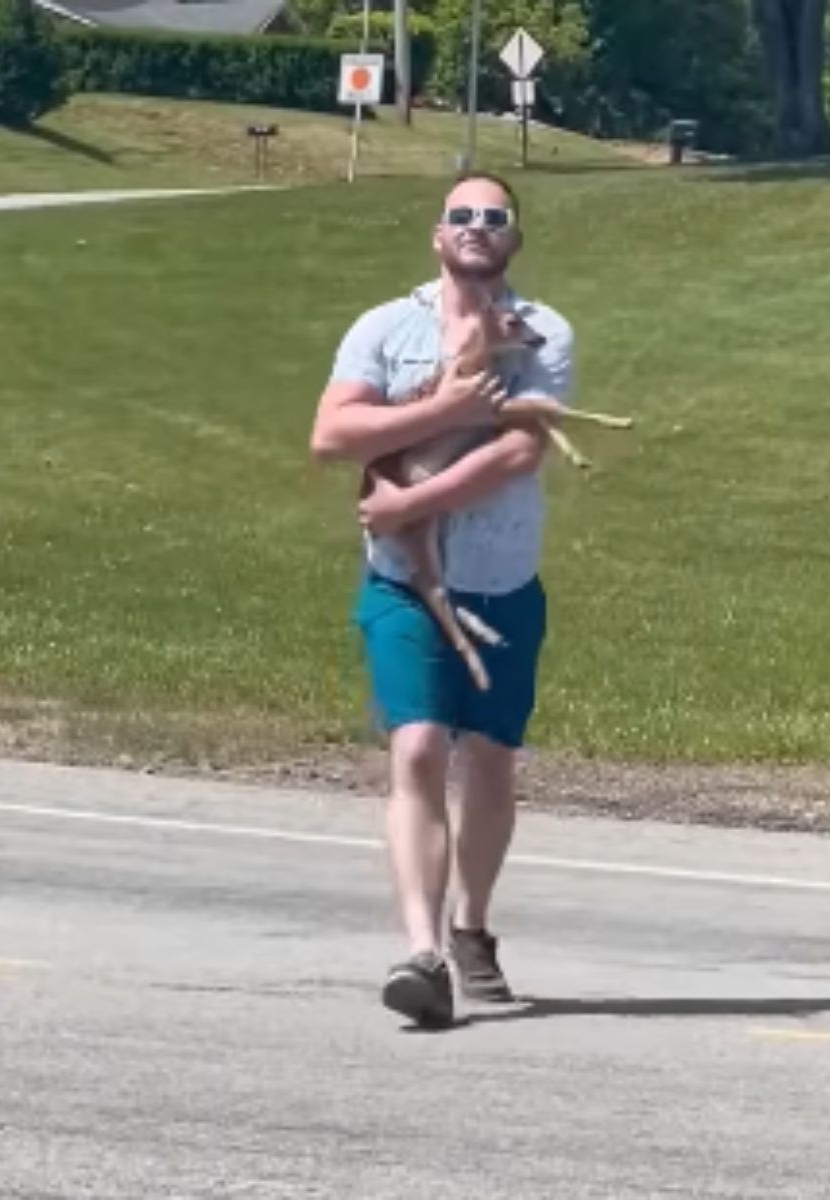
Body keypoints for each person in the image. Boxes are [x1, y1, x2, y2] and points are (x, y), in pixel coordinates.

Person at [310, 172, 574, 1028]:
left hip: (500, 576)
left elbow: (518, 454)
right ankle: (421, 953)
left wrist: (404, 503)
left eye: (495, 218)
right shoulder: (385, 328)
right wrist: (450, 404)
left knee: (490, 760)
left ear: (514, 241)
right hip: (400, 581)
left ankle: (472, 926)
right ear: (437, 235)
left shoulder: (542, 335)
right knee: (419, 747)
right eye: (462, 215)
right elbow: (331, 435)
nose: (477, 226)